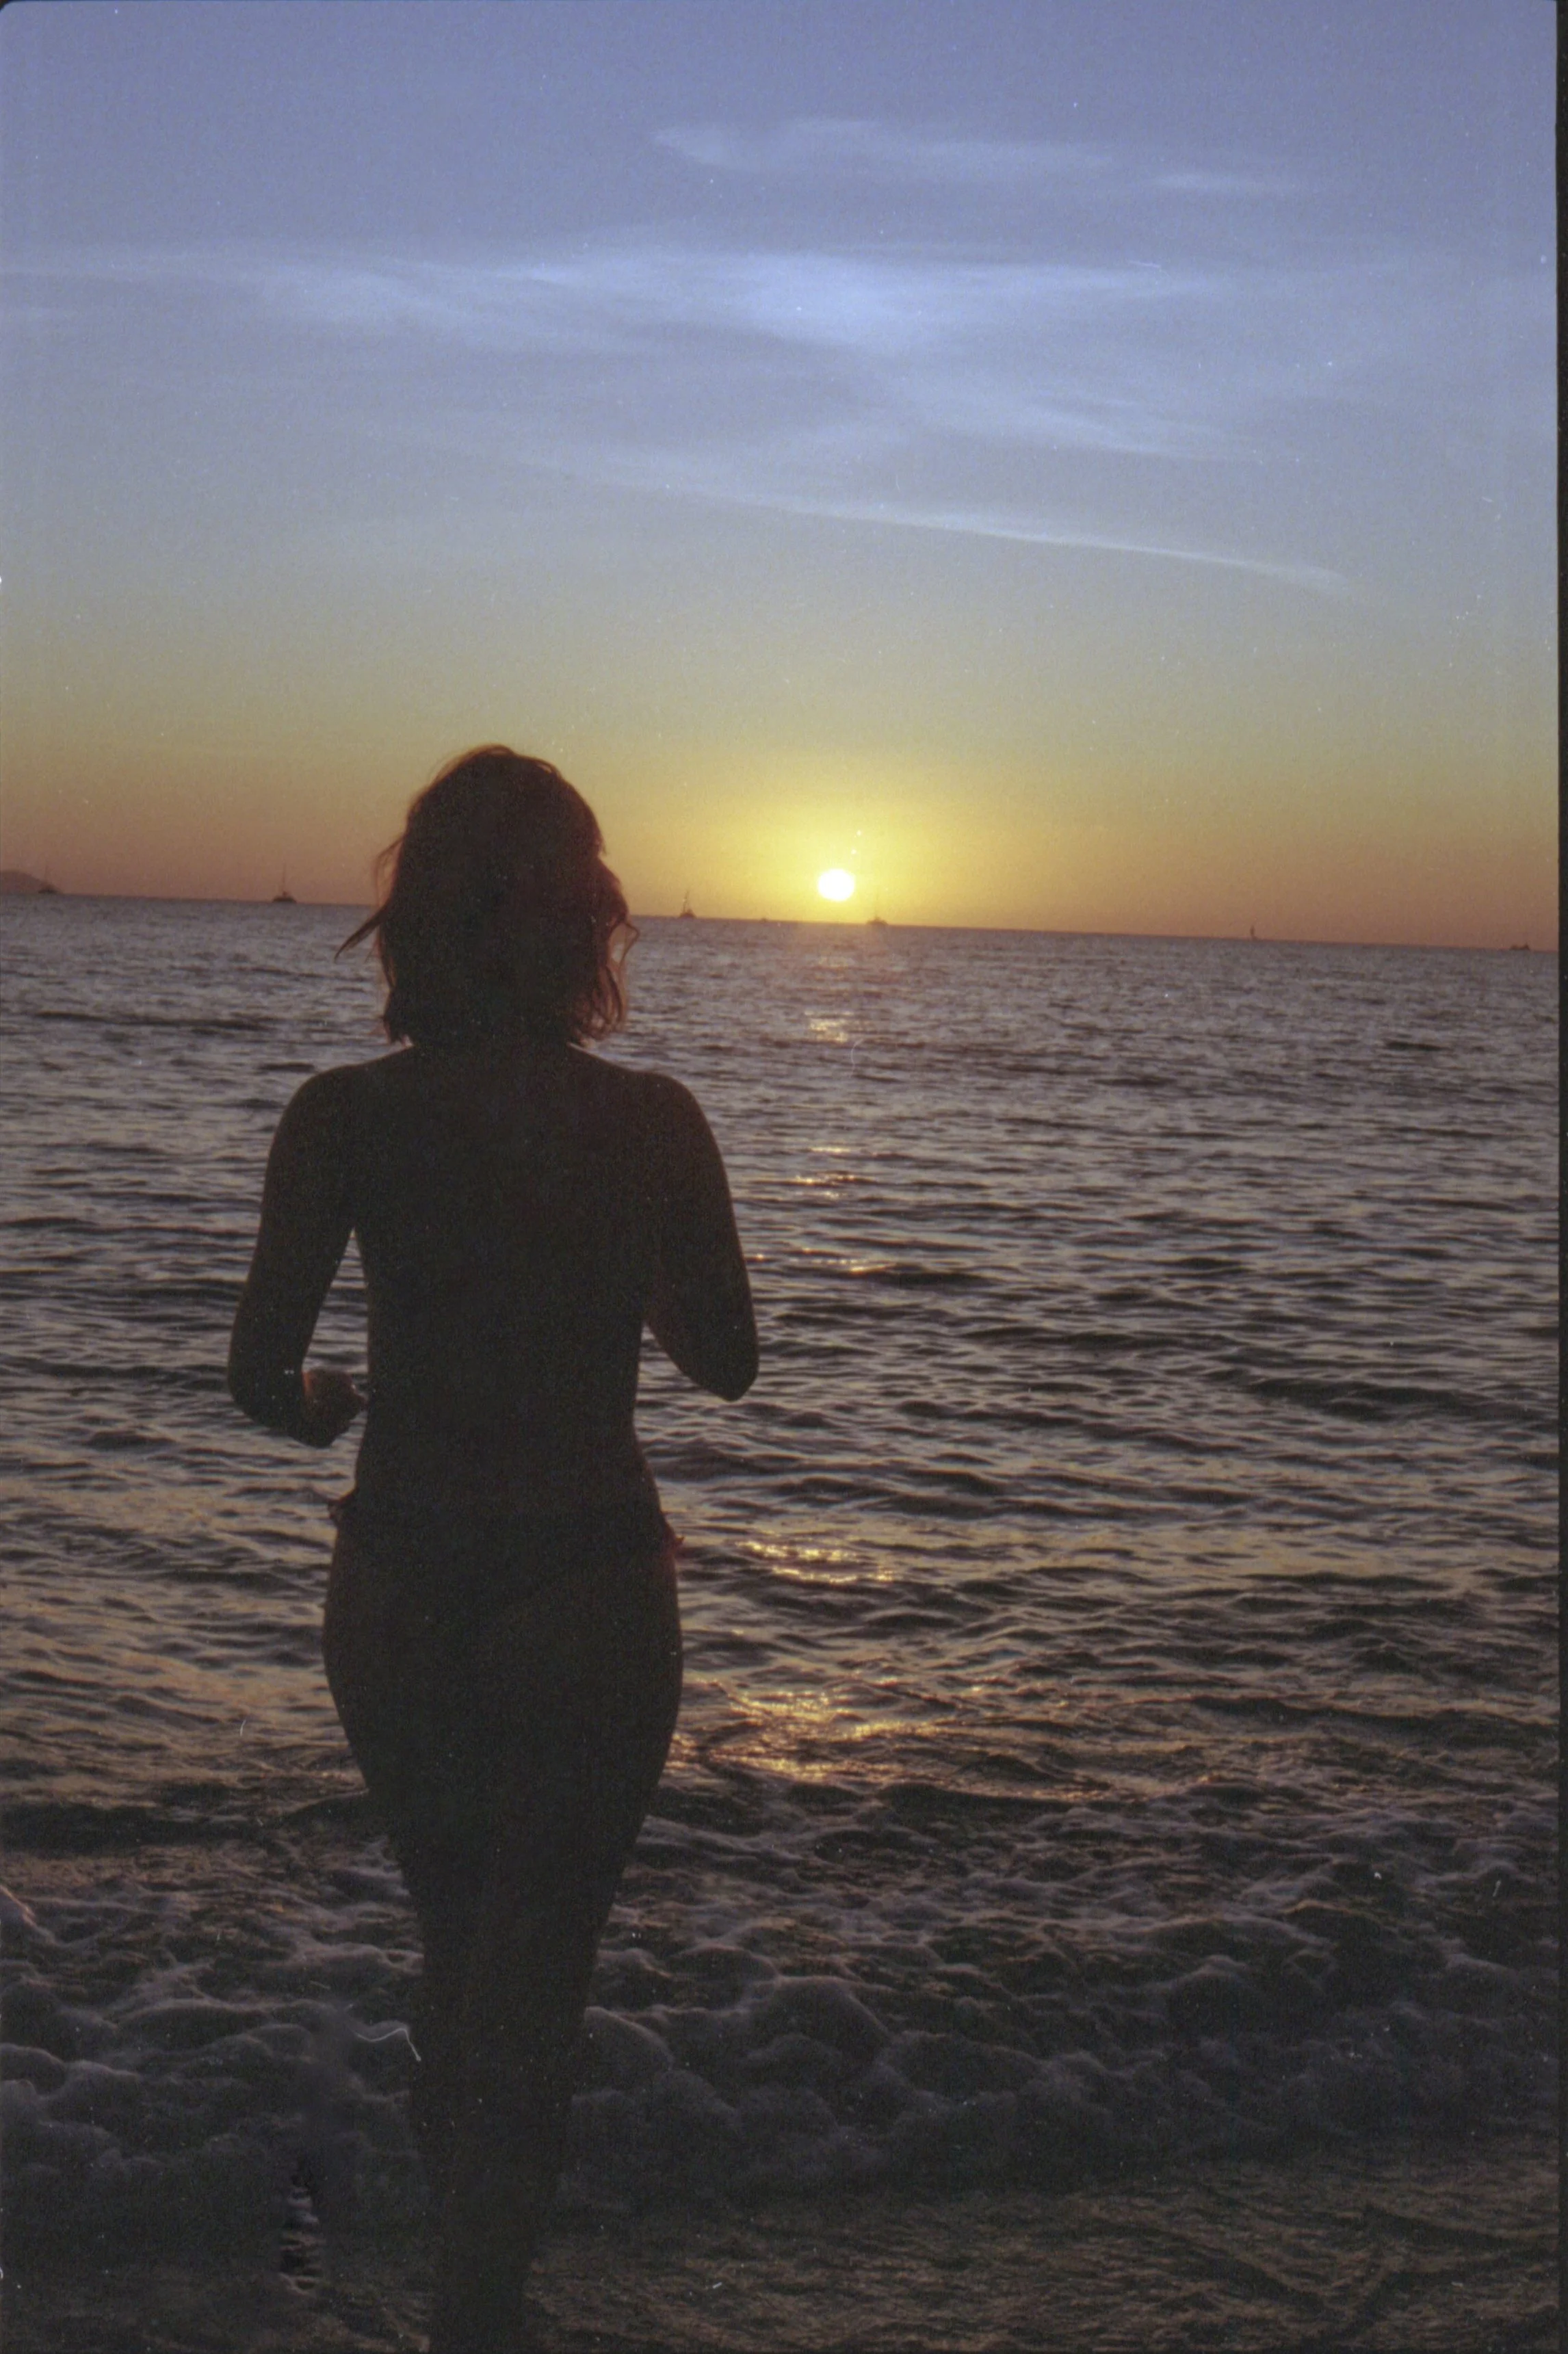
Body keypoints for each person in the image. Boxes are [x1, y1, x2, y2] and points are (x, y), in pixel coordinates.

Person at [228, 746, 757, 2352]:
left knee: (457, 1939)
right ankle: (479, 2310)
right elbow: (725, 1360)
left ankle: (461, 2281)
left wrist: (326, 1404)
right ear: (586, 912)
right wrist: (629, 1274)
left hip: (399, 1575)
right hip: (585, 1575)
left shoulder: (344, 1118)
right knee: (540, 1963)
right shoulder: (652, 1122)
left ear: (415, 917)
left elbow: (264, 1374)